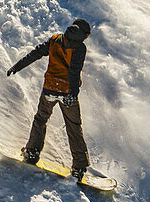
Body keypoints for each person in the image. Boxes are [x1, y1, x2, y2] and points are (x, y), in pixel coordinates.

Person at [7, 19, 91, 180]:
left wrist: (17, 66)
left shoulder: (55, 40)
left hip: (50, 89)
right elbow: (74, 71)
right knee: (74, 127)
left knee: (40, 119)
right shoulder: (79, 48)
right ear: (84, 35)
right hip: (67, 92)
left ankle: (32, 152)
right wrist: (72, 93)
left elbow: (36, 54)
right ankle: (79, 168)